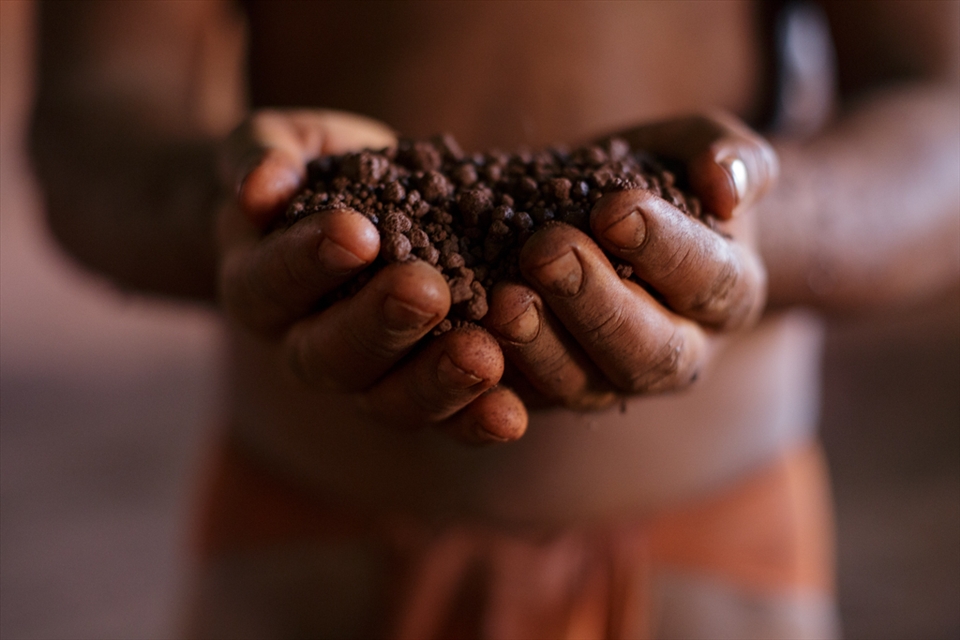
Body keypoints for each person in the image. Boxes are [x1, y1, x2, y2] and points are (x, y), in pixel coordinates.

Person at [30, 1, 959, 638]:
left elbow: (941, 112)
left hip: (712, 572)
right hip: (302, 563)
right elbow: (92, 112)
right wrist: (235, 210)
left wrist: (756, 228)